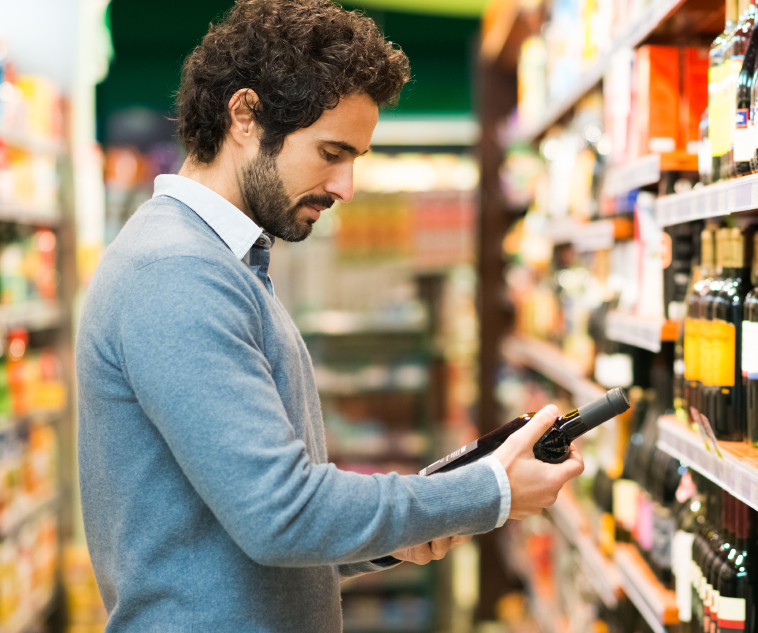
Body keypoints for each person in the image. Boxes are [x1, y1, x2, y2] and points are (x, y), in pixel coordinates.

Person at [75, 1, 584, 631]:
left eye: (356, 159)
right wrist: (487, 493)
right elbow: (279, 513)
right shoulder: (176, 270)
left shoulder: (221, 263)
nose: (346, 186)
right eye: (331, 152)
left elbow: (230, 530)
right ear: (245, 116)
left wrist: (392, 535)